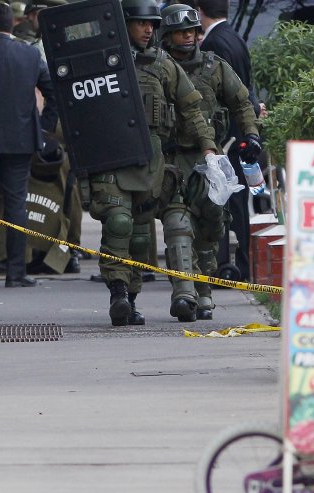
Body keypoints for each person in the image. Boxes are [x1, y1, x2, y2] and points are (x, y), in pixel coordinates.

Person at [89, 0, 215, 326]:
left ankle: (129, 299)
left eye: (153, 25)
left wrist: (208, 147)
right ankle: (117, 292)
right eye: (141, 23)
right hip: (112, 158)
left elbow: (191, 108)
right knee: (118, 223)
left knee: (142, 237)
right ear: (124, 23)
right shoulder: (103, 60)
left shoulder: (163, 64)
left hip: (150, 162)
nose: (148, 30)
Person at [159, 3, 259, 320]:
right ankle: (184, 293)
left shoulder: (214, 67)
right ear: (167, 35)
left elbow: (242, 102)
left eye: (191, 30)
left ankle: (203, 292)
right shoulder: (155, 68)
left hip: (210, 160)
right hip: (171, 159)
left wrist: (252, 136)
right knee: (177, 224)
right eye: (179, 32)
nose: (187, 37)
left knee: (211, 226)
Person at [0, 1, 58, 288]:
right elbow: (52, 92)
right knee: (17, 205)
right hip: (21, 141)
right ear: (12, 24)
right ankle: (15, 274)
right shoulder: (29, 54)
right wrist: (43, 128)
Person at [192, 0, 262, 283]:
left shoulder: (215, 45)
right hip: (242, 133)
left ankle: (227, 264)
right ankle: (242, 264)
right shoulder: (235, 38)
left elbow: (219, 94)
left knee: (226, 202)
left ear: (199, 11)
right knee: (239, 201)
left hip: (229, 138)